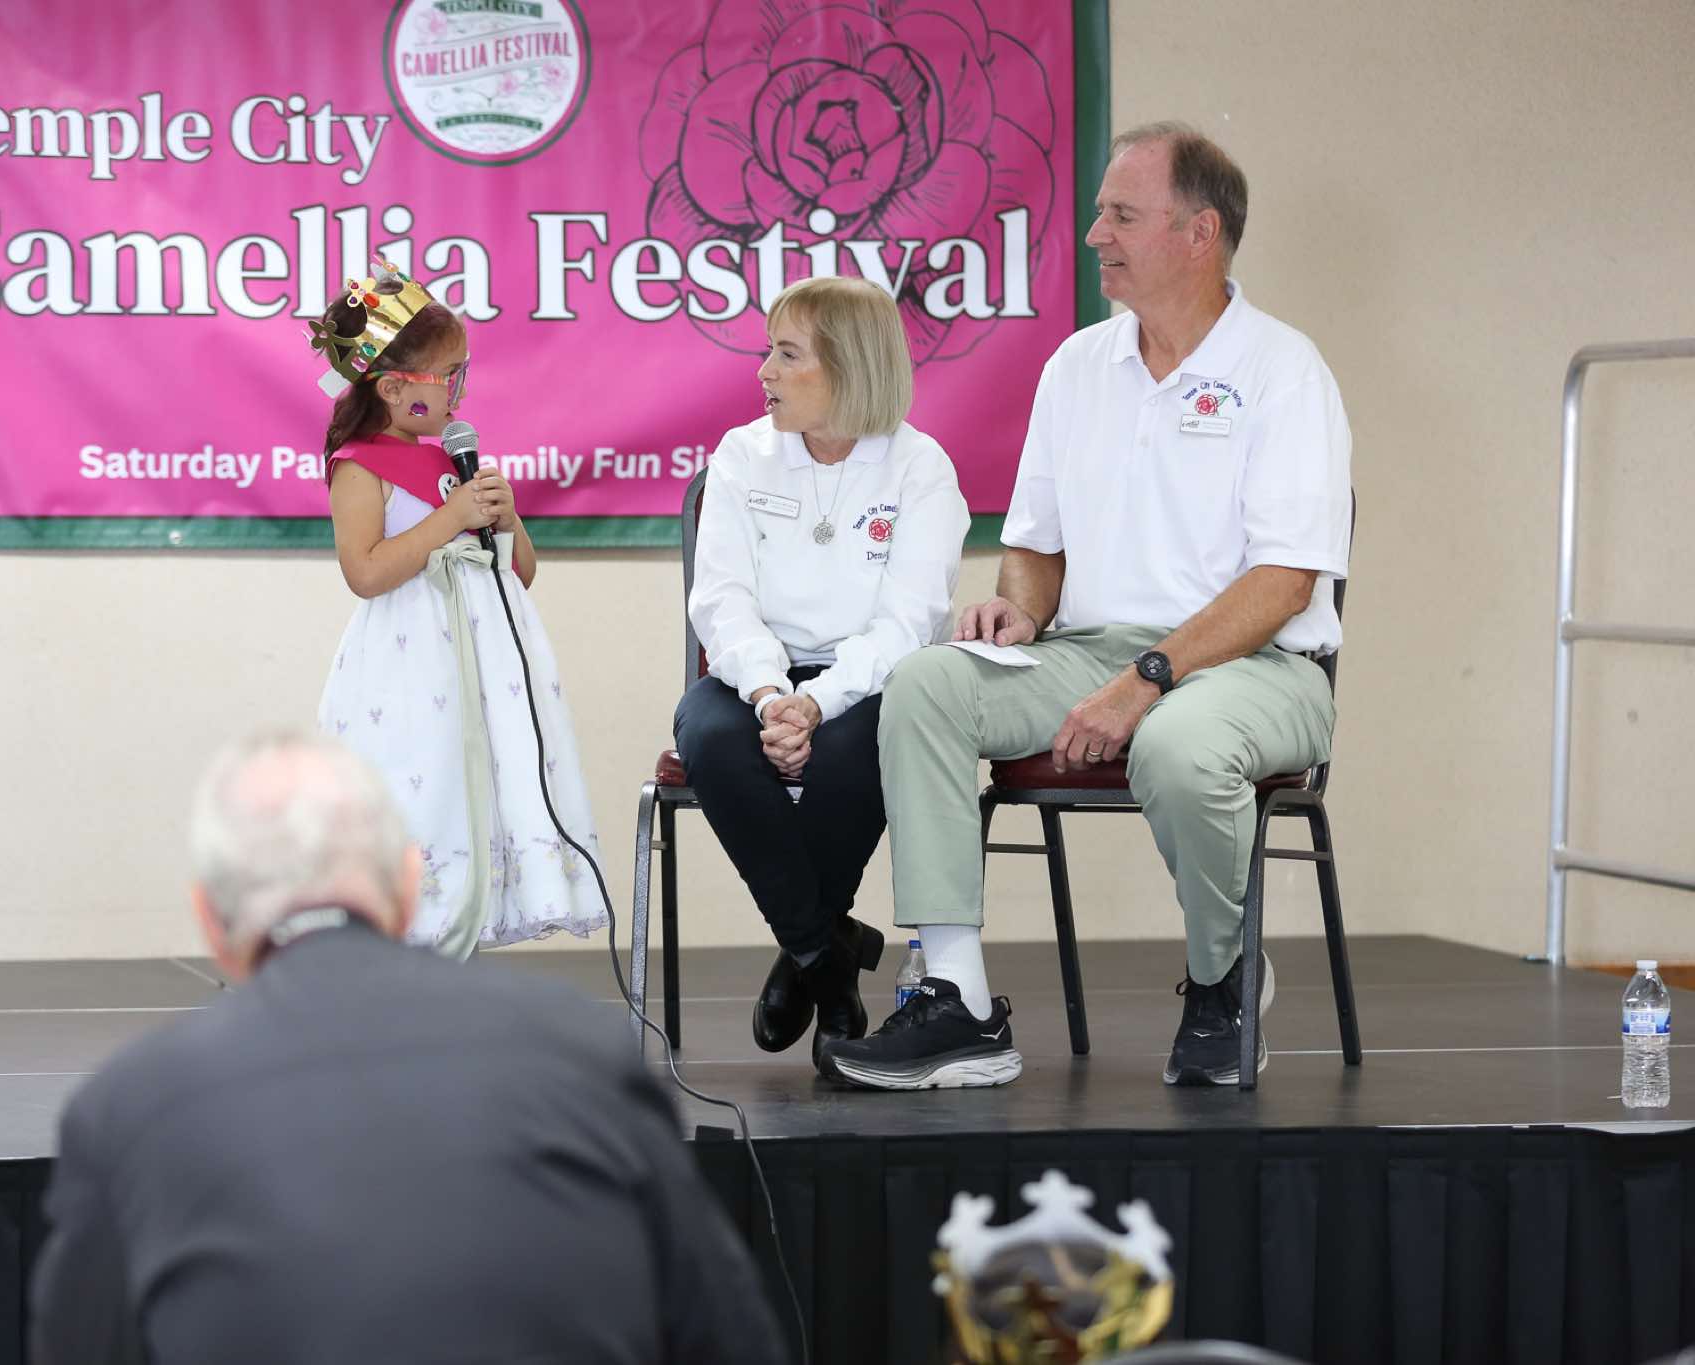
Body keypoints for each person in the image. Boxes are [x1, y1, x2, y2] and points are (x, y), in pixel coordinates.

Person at [824, 123, 1352, 1091]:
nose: (1095, 234)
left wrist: (1146, 680)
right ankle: (957, 1002)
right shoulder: (1076, 366)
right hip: (1089, 650)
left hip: (1260, 665)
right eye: (1100, 213)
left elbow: (1283, 584)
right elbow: (1035, 545)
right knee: (928, 682)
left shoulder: (1283, 370)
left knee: (1177, 744)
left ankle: (1223, 977)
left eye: (1121, 216)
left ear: (1199, 233)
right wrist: (1019, 612)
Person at [29, 732, 789, 1365]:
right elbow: (730, 1338)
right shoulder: (583, 1050)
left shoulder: (128, 1110)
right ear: (407, 887)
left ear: (211, 922)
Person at [677, 275, 970, 1069]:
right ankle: (826, 958)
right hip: (758, 678)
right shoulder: (742, 454)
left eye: (786, 354)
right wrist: (772, 693)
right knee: (708, 736)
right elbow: (722, 601)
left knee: (862, 746)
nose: (764, 371)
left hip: (872, 682)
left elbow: (909, 623)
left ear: (847, 365)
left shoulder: (920, 468)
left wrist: (817, 703)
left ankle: (809, 951)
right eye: (768, 351)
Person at [311, 258, 604, 956]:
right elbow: (365, 572)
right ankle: (406, 937)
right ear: (392, 387)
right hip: (412, 667)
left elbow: (519, 573)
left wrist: (507, 519)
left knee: (483, 785)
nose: (461, 389)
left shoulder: (452, 460)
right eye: (450, 375)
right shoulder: (360, 467)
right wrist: (450, 519)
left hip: (485, 666)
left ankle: (463, 930)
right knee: (424, 784)